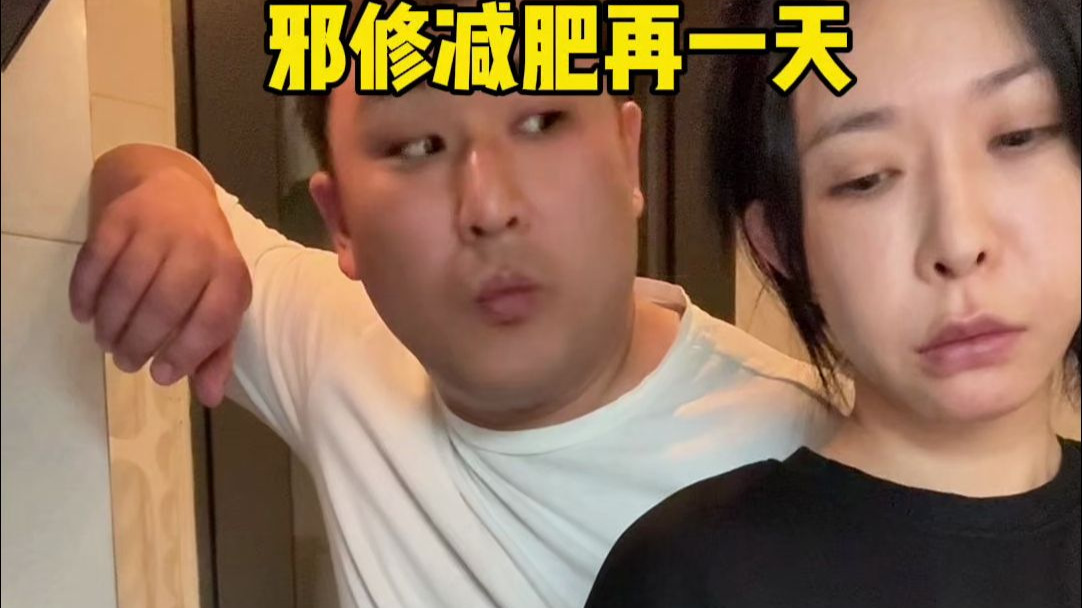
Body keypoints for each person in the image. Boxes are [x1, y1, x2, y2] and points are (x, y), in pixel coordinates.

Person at [68, 22, 839, 608]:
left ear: (626, 154)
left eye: (541, 123)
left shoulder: (818, 455)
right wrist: (167, 192)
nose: (490, 206)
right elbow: (133, 167)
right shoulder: (344, 343)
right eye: (417, 145)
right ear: (343, 224)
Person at [585, 0, 1082, 606]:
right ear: (782, 246)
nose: (958, 242)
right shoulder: (688, 577)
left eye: (1017, 137)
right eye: (866, 178)